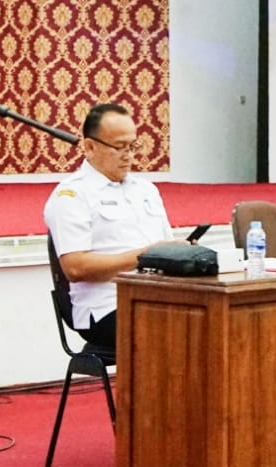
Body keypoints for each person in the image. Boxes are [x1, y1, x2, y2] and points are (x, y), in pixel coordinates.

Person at [43, 102, 179, 349]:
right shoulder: (72, 195)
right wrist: (144, 256)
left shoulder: (146, 190)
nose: (128, 155)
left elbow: (165, 247)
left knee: (216, 318)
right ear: (90, 147)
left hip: (160, 297)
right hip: (107, 307)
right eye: (119, 147)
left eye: (133, 146)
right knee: (183, 331)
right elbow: (75, 267)